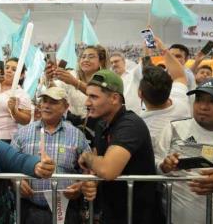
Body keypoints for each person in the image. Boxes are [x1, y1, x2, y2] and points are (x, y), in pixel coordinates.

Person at [78, 70, 160, 224]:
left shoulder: (130, 125)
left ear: (114, 98)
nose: (87, 103)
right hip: (112, 211)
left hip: (137, 216)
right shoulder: (102, 124)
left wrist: (86, 156)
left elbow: (107, 170)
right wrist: (91, 182)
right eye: (87, 96)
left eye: (93, 97)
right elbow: (98, 165)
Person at [11, 87, 96, 224]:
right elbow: (11, 163)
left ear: (66, 107)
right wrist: (16, 181)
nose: (46, 105)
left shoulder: (77, 136)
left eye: (53, 102)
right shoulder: (23, 133)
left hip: (67, 210)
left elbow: (88, 170)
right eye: (44, 101)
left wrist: (80, 186)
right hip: (31, 210)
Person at [156, 78, 213, 224]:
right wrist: (163, 166)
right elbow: (154, 164)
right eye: (199, 99)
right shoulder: (174, 129)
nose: (203, 107)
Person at [139, 37, 191, 147]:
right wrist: (163, 49)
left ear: (140, 94)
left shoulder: (142, 126)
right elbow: (179, 75)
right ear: (169, 87)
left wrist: (146, 53)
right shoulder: (181, 103)